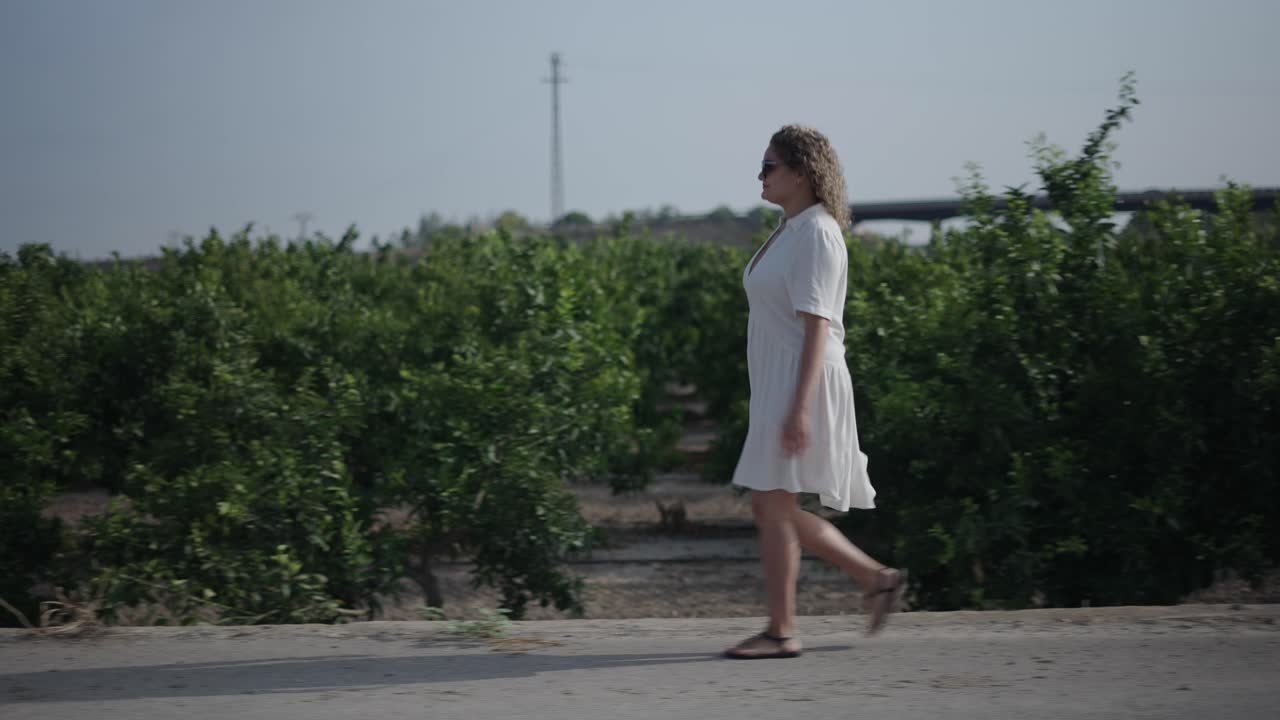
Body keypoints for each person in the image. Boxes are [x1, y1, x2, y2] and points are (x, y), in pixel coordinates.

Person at [723, 125, 905, 660]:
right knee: (771, 505)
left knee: (771, 504)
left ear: (801, 172)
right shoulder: (789, 229)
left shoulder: (817, 233)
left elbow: (818, 326)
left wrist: (798, 407)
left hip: (804, 380)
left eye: (769, 166)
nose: (760, 176)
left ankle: (784, 630)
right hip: (780, 381)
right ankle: (876, 578)